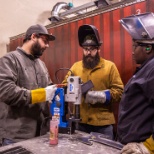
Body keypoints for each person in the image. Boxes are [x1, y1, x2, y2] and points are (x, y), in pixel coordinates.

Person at [62, 24, 124, 139]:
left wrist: (99, 96)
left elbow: (119, 92)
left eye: (92, 49)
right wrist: (71, 89)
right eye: (86, 49)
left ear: (98, 49)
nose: (88, 52)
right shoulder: (76, 67)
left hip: (103, 125)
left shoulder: (110, 66)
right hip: (80, 123)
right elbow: (64, 85)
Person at [0, 24, 57, 146]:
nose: (47, 45)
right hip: (16, 136)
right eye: (45, 41)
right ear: (33, 37)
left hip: (40, 133)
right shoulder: (9, 60)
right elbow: (6, 92)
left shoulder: (41, 65)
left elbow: (49, 89)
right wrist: (41, 95)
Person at [117, 12, 154, 154]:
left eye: (135, 46)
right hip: (129, 146)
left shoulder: (152, 70)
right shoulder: (145, 68)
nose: (132, 51)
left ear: (148, 48)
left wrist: (148, 147)